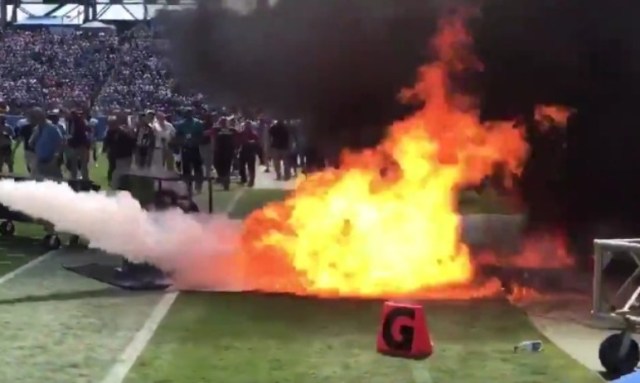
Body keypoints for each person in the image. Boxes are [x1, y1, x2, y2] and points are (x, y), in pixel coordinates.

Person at [103, 112, 136, 189]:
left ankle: (122, 186)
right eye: (110, 124)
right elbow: (107, 142)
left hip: (124, 155)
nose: (111, 126)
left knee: (122, 172)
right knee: (114, 170)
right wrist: (106, 149)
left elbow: (132, 142)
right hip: (114, 155)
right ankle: (115, 185)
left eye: (112, 124)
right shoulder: (110, 132)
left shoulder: (124, 131)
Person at [174, 108, 205, 192]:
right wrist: (181, 143)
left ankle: (198, 185)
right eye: (187, 113)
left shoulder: (198, 123)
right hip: (185, 148)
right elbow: (178, 136)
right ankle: (188, 186)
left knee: (197, 167)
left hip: (195, 148)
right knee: (186, 169)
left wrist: (194, 141)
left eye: (190, 112)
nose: (188, 114)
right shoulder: (180, 124)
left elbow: (201, 136)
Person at [29, 107, 63, 179]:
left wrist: (55, 159)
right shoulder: (37, 129)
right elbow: (31, 143)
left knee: (53, 185)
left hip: (51, 162)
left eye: (34, 117)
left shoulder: (52, 128)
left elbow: (60, 144)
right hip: (40, 161)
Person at [66, 110, 92, 180]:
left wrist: (68, 140)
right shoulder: (81, 121)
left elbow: (73, 134)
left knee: (76, 164)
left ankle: (75, 178)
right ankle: (84, 178)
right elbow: (89, 130)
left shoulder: (76, 122)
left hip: (78, 145)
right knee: (82, 164)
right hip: (81, 145)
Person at [214, 117, 237, 191]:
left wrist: (236, 148)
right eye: (222, 122)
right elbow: (210, 135)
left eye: (225, 122)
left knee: (227, 166)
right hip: (219, 151)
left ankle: (226, 182)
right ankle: (222, 178)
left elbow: (238, 138)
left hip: (228, 151)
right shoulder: (216, 130)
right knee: (218, 165)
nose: (223, 124)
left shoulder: (232, 130)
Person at [237, 121, 260, 187]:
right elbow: (238, 141)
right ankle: (243, 179)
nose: (247, 127)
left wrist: (251, 142)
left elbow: (257, 143)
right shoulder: (241, 133)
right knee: (241, 166)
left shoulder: (254, 134)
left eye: (248, 126)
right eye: (246, 126)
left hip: (251, 152)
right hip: (243, 151)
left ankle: (251, 181)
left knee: (251, 167)